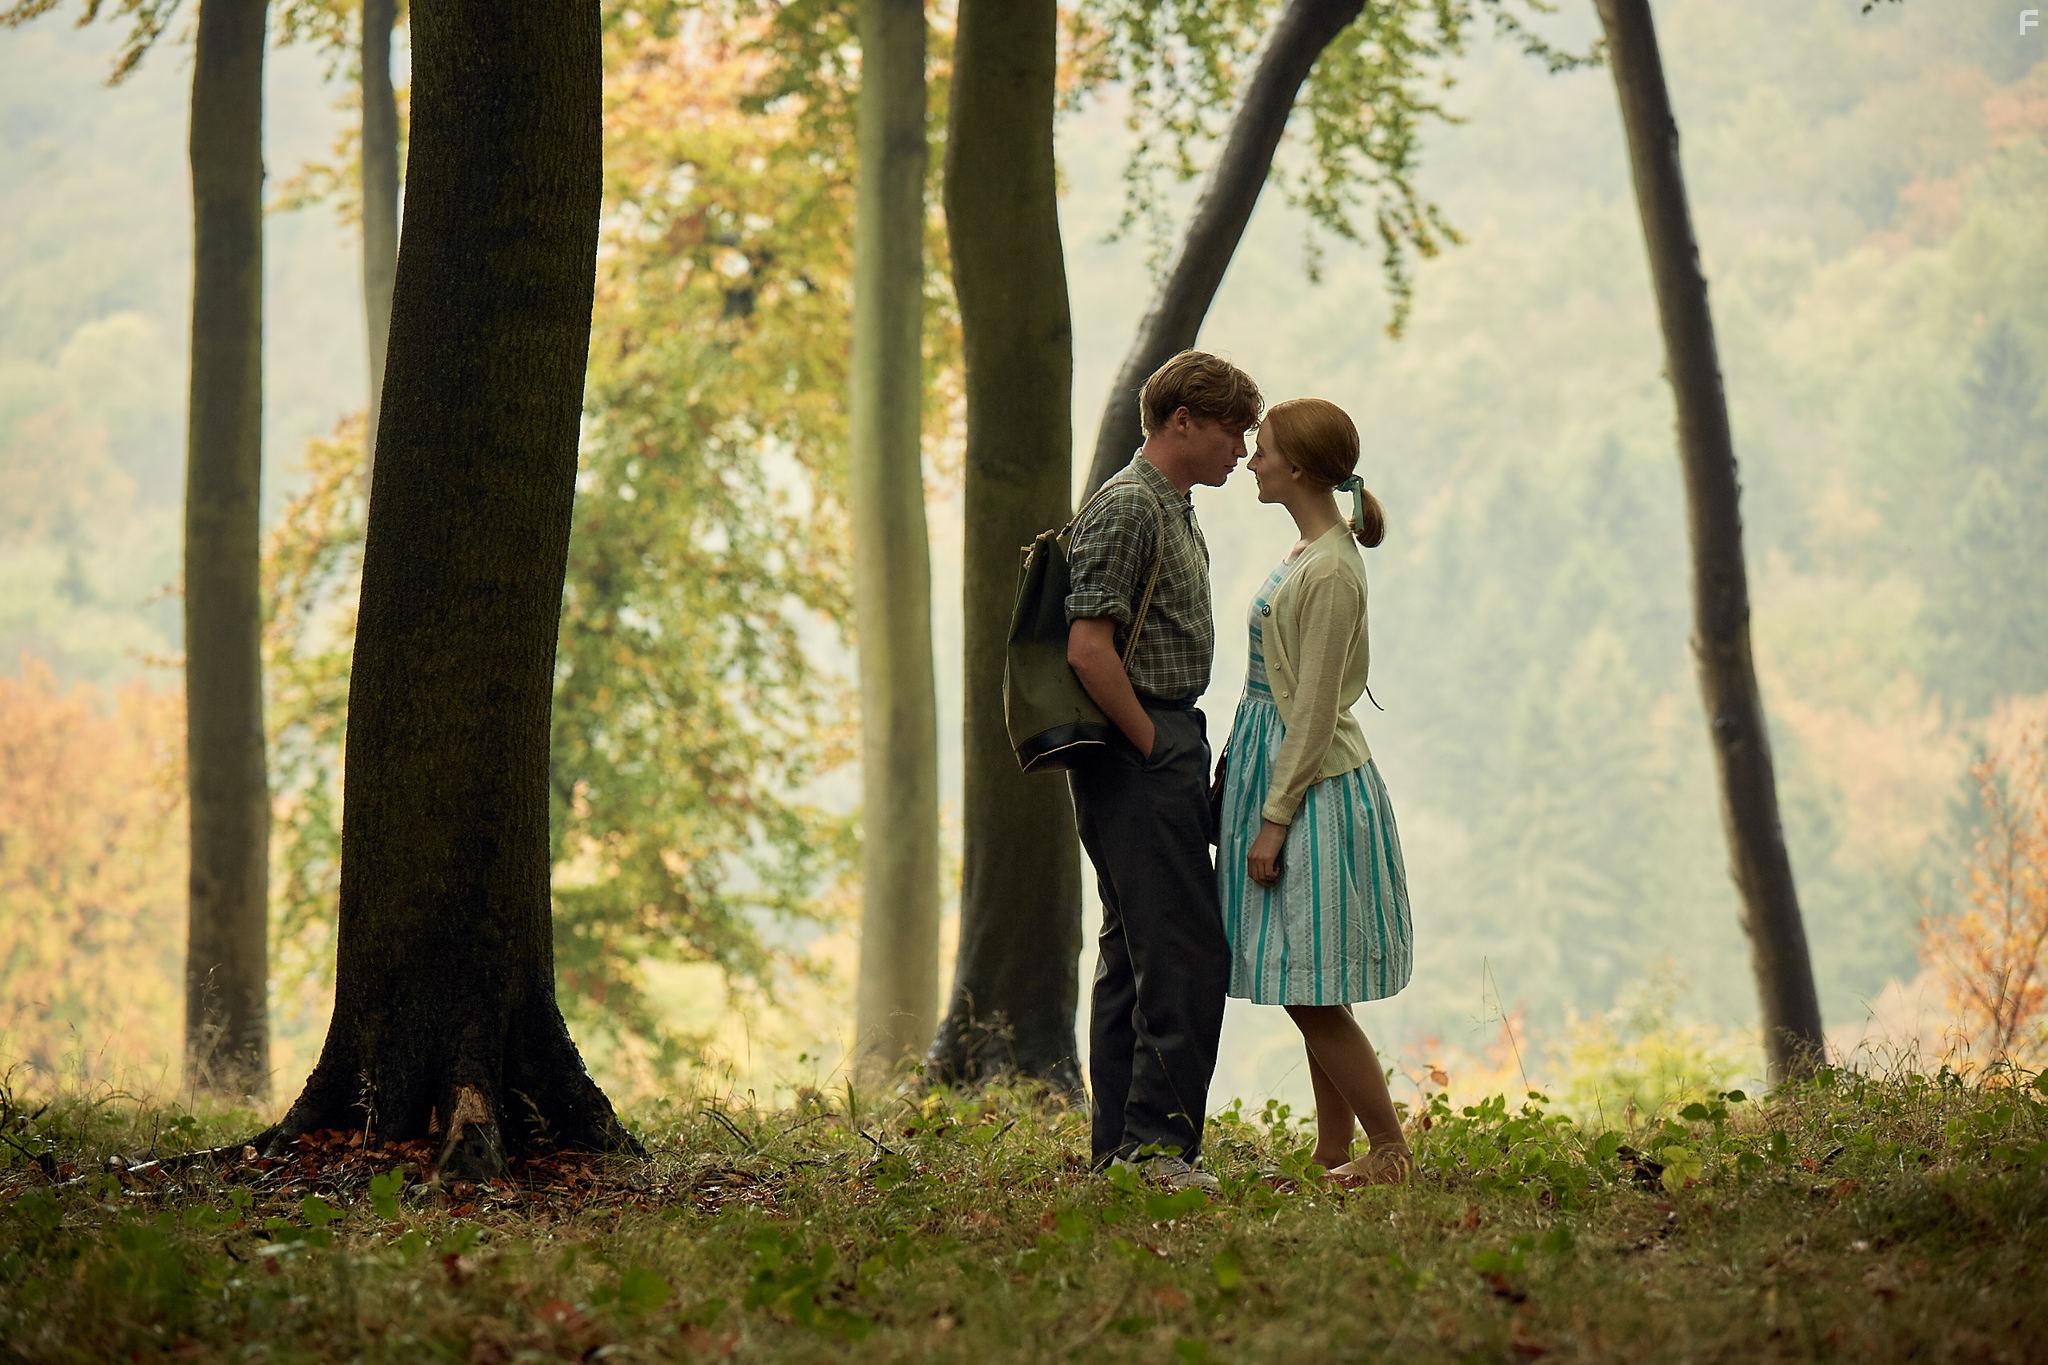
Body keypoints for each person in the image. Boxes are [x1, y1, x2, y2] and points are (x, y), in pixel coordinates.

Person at [1065, 349, 1263, 1192]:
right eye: (1232, 430)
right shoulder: (1129, 508)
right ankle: (1156, 1155)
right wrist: (1152, 743)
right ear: (1182, 420)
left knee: (1136, 951)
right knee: (1183, 952)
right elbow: (1088, 646)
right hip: (1138, 746)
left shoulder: (1171, 504)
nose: (1243, 450)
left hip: (1160, 737)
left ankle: (1121, 1152)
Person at [1216, 396, 1416, 1186]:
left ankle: (1389, 1146)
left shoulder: (1331, 569)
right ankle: (1334, 1152)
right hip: (1286, 774)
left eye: (1261, 450)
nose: (1252, 462)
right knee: (1311, 983)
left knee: (1310, 987)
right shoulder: (1309, 550)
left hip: (1312, 790)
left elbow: (1315, 707)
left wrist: (1273, 820)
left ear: (1296, 467)